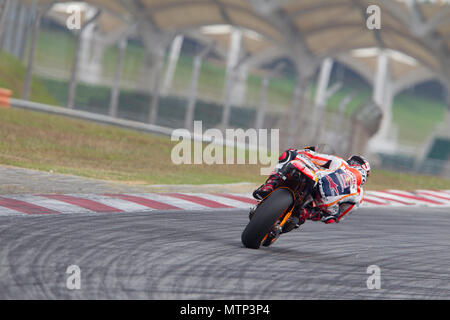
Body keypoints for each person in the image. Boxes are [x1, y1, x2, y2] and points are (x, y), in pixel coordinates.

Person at [252, 146, 370, 230]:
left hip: (316, 183)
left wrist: (303, 151)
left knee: (290, 153)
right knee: (326, 215)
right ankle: (304, 213)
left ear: (351, 161)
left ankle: (270, 185)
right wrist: (319, 214)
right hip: (321, 202)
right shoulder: (359, 195)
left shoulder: (339, 162)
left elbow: (309, 155)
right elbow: (337, 217)